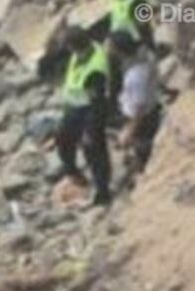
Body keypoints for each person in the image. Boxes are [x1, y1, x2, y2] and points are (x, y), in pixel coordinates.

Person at [55, 26, 115, 207]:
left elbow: (97, 102)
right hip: (74, 107)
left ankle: (103, 190)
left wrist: (90, 129)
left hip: (90, 110)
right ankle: (73, 172)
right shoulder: (80, 54)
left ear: (73, 46)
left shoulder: (95, 69)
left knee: (93, 148)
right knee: (63, 138)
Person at [112, 31, 163, 185]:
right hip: (151, 107)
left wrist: (129, 130)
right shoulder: (146, 57)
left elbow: (139, 107)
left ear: (118, 50)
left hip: (143, 119)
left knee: (142, 150)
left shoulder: (135, 76)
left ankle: (144, 179)